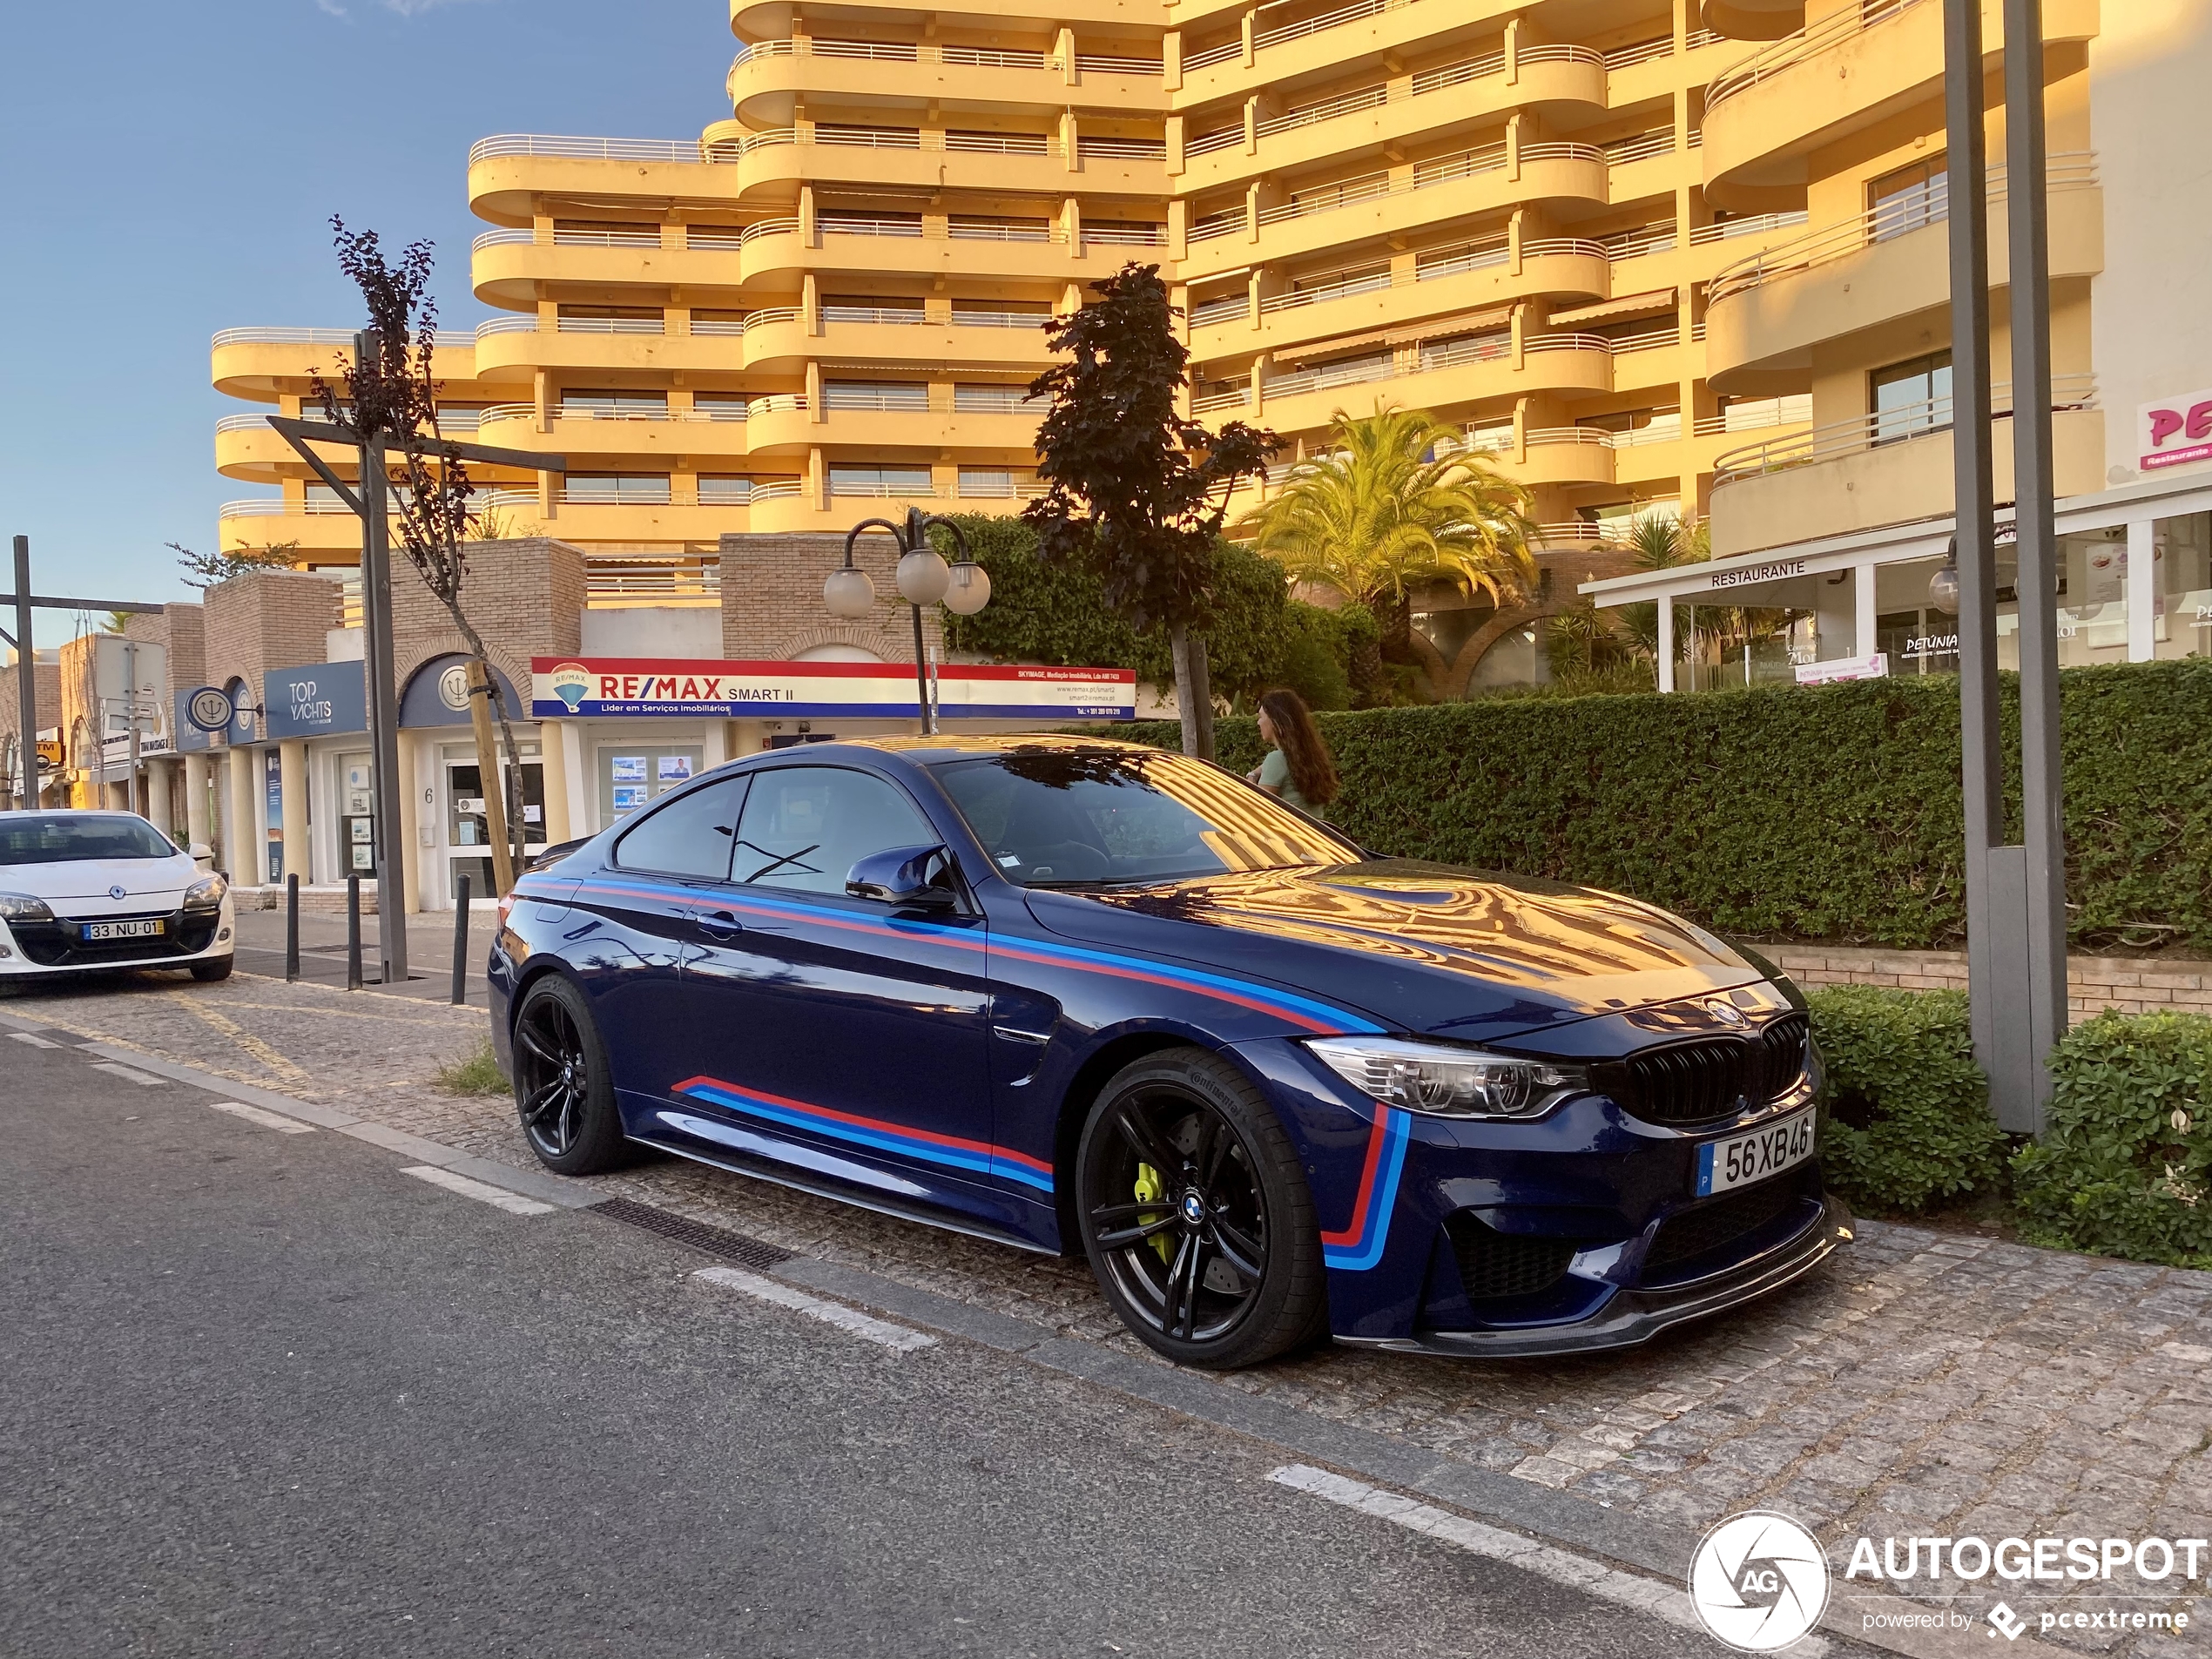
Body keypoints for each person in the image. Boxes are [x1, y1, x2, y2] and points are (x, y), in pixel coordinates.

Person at [1247, 687, 1339, 819]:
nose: (1258, 722)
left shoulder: (1276, 759)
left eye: (1261, 716)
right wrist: (1256, 772)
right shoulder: (1309, 759)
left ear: (1275, 721)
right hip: (1314, 835)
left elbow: (1258, 811)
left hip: (1286, 836)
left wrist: (1251, 779)